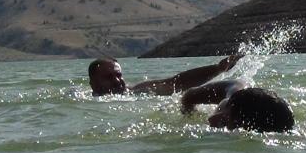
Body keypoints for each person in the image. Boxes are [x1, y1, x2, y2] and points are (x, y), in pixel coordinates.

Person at [88, 54, 242, 96]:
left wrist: (218, 69)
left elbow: (177, 83)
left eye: (119, 75)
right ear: (92, 84)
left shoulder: (138, 91)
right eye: (109, 77)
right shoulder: (81, 97)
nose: (117, 81)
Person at [180, 80, 295, 132]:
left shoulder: (280, 119)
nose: (212, 120)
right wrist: (190, 116)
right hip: (234, 87)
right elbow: (188, 97)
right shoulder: (228, 102)